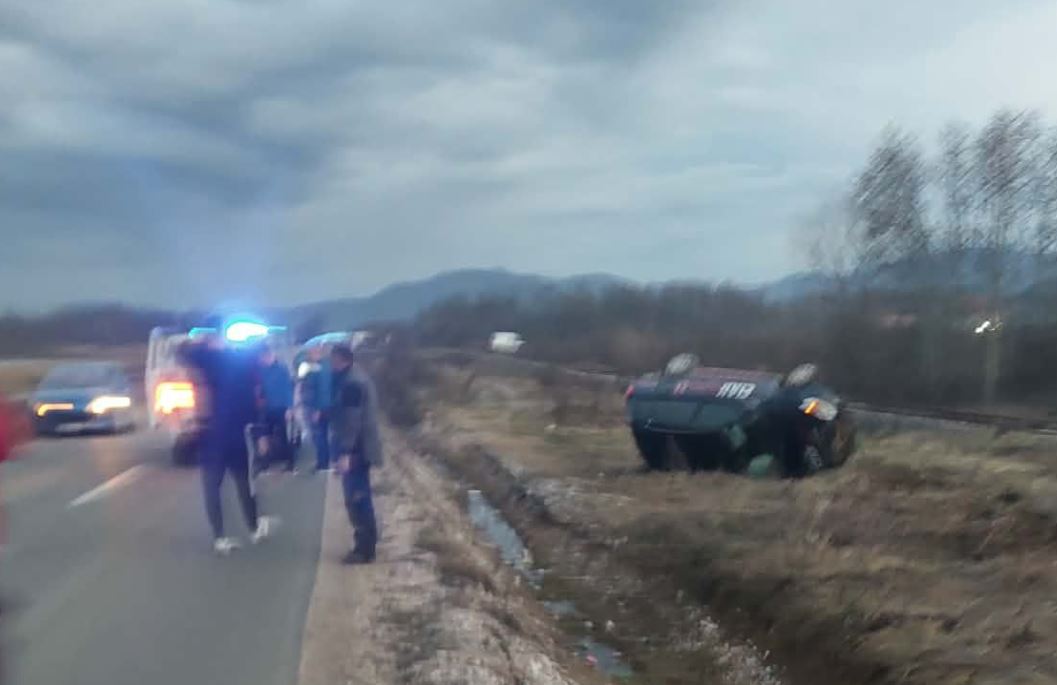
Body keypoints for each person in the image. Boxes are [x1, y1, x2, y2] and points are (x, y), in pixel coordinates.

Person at [179, 329, 276, 555]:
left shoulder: (205, 359)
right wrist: (261, 433)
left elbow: (183, 350)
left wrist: (203, 343)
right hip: (234, 435)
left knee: (213, 486)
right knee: (244, 483)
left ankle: (220, 537)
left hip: (211, 434)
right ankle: (253, 528)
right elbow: (255, 402)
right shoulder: (241, 365)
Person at [329, 343, 382, 564]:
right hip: (361, 448)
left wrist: (346, 453)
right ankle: (365, 544)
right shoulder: (356, 378)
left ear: (342, 360)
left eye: (332, 360)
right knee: (358, 496)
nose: (330, 364)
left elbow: (352, 421)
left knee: (357, 498)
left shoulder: (352, 383)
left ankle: (364, 549)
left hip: (357, 450)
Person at [258, 346, 295, 472]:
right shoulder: (261, 370)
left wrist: (290, 408)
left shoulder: (281, 369)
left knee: (284, 436)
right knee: (265, 435)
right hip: (267, 408)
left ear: (272, 356)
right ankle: (265, 462)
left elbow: (288, 389)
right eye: (263, 358)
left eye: (266, 357)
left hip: (281, 407)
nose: (264, 360)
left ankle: (290, 461)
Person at [301, 346, 334, 473]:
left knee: (319, 435)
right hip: (319, 406)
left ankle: (323, 464)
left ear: (317, 352)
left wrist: (317, 410)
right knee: (322, 435)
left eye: (311, 352)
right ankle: (324, 461)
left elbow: (323, 390)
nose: (309, 355)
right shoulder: (318, 365)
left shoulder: (322, 367)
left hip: (319, 407)